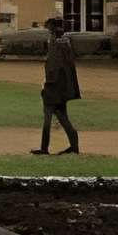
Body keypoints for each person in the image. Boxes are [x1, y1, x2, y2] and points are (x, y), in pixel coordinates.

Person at [37, 16, 83, 155]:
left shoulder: (55, 44)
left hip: (53, 86)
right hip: (63, 87)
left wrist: (46, 86)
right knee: (63, 118)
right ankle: (74, 147)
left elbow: (52, 67)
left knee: (48, 118)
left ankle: (44, 148)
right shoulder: (66, 43)